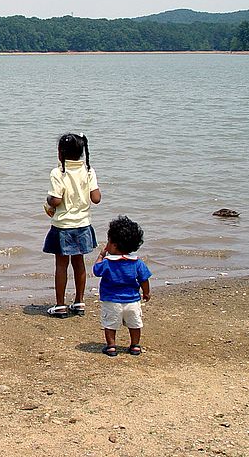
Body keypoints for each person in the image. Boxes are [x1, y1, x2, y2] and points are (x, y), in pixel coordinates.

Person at [42, 133, 101, 317]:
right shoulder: (88, 170)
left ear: (60, 153)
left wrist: (48, 200)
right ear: (82, 152)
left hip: (63, 226)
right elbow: (96, 198)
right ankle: (79, 301)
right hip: (83, 224)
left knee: (61, 265)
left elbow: (57, 200)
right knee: (79, 263)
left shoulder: (58, 172)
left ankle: (60, 304)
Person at [92, 215, 151, 357]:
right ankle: (135, 345)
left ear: (114, 245)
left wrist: (100, 255)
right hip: (132, 301)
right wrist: (146, 293)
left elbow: (96, 270)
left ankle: (111, 346)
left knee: (110, 324)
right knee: (135, 324)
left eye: (108, 241)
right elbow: (144, 279)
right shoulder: (137, 262)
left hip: (112, 300)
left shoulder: (107, 262)